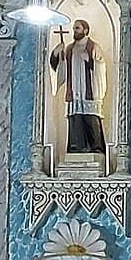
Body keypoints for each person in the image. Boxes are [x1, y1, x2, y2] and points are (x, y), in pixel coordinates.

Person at [52, 16, 105, 160]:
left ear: (85, 30)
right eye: (74, 28)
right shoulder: (69, 49)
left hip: (89, 91)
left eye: (77, 28)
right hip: (74, 90)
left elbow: (101, 66)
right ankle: (77, 147)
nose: (74, 31)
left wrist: (90, 61)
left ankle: (96, 148)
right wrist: (56, 54)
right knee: (75, 119)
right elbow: (59, 68)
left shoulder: (93, 47)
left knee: (91, 119)